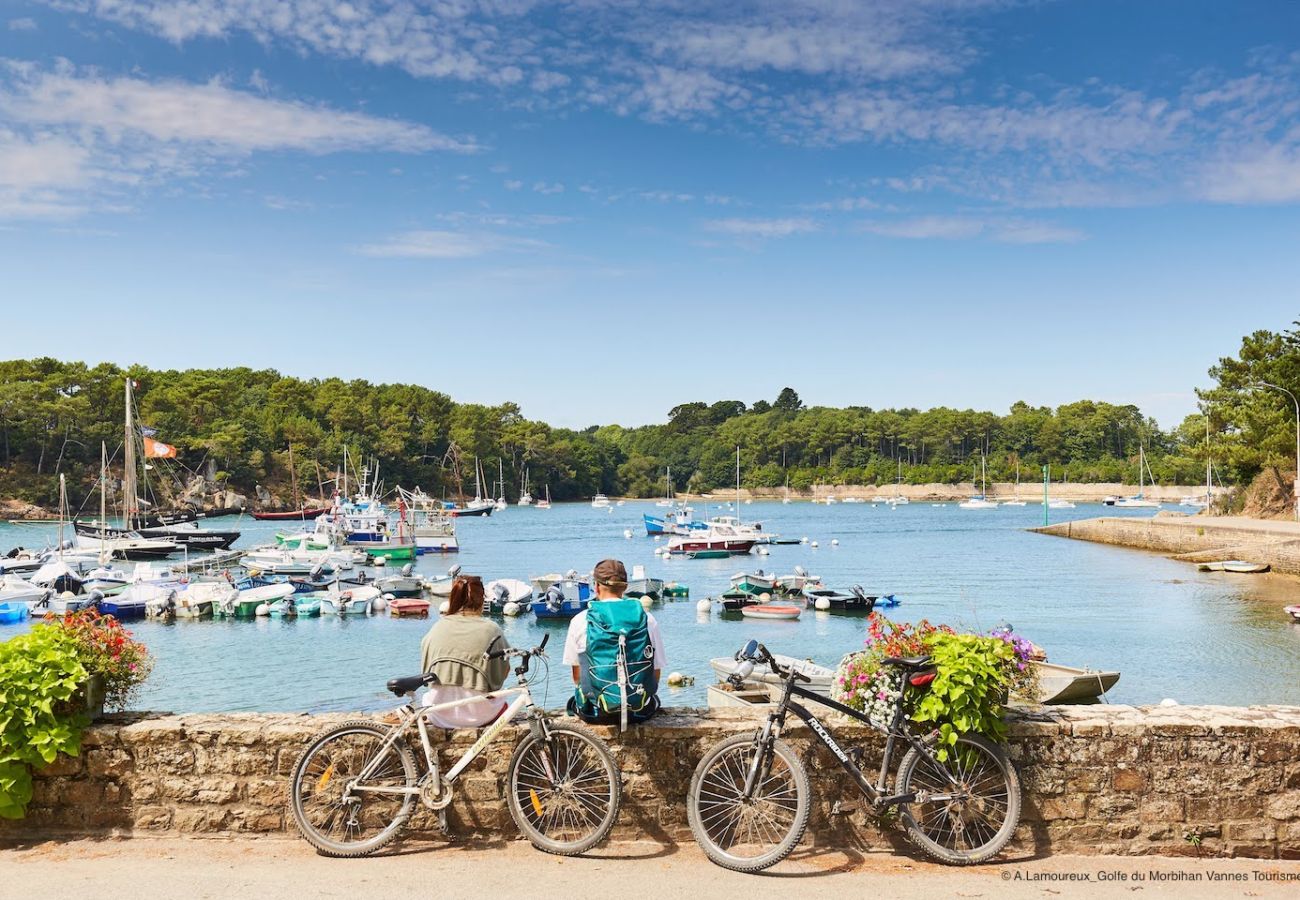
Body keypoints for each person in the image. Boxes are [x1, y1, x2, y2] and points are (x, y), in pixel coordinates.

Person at [563, 558, 665, 725]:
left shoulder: (580, 620)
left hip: (597, 712)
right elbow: (656, 672)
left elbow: (577, 677)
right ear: (625, 587)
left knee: (572, 703)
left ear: (596, 587)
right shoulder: (648, 619)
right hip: (639, 711)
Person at [417, 575, 510, 728]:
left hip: (438, 713)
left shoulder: (437, 628)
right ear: (482, 600)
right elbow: (503, 673)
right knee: (504, 701)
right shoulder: (491, 629)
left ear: (453, 598)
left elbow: (426, 672)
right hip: (479, 715)